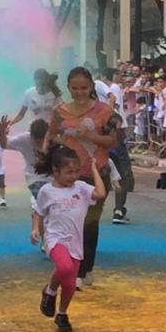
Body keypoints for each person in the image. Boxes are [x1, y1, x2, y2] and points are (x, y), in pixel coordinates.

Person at [49, 66, 120, 286]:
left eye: (84, 88)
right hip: (69, 175)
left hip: (97, 172)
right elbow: (52, 135)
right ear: (68, 88)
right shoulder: (59, 112)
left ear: (91, 87)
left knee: (90, 222)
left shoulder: (105, 112)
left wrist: (90, 136)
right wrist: (60, 143)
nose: (79, 92)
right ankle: (72, 266)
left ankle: (84, 269)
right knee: (71, 221)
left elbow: (113, 141)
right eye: (75, 88)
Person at [31, 144, 106, 332]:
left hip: (75, 241)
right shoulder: (47, 191)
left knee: (70, 284)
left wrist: (94, 170)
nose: (73, 176)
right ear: (56, 172)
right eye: (68, 172)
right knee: (64, 267)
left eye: (76, 172)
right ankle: (50, 290)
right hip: (55, 238)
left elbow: (100, 193)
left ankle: (62, 313)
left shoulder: (81, 188)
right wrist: (35, 229)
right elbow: (38, 212)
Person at [0, 115, 51, 205]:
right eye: (36, 139)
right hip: (34, 177)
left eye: (42, 139)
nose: (39, 142)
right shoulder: (24, 139)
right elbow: (4, 145)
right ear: (31, 134)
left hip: (52, 177)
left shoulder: (52, 139)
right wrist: (2, 132)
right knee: (42, 197)